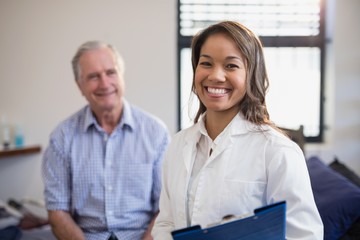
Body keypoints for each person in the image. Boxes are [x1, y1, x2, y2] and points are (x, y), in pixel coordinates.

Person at [152, 21, 323, 239]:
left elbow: (305, 235)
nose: (215, 76)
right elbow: (166, 222)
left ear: (251, 75)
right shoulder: (178, 145)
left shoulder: (279, 151)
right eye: (206, 63)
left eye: (231, 66)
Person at [42, 41, 170, 240]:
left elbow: (165, 208)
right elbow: (57, 211)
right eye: (93, 77)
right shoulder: (62, 137)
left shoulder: (156, 133)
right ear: (80, 86)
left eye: (111, 72)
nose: (104, 84)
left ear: (121, 76)